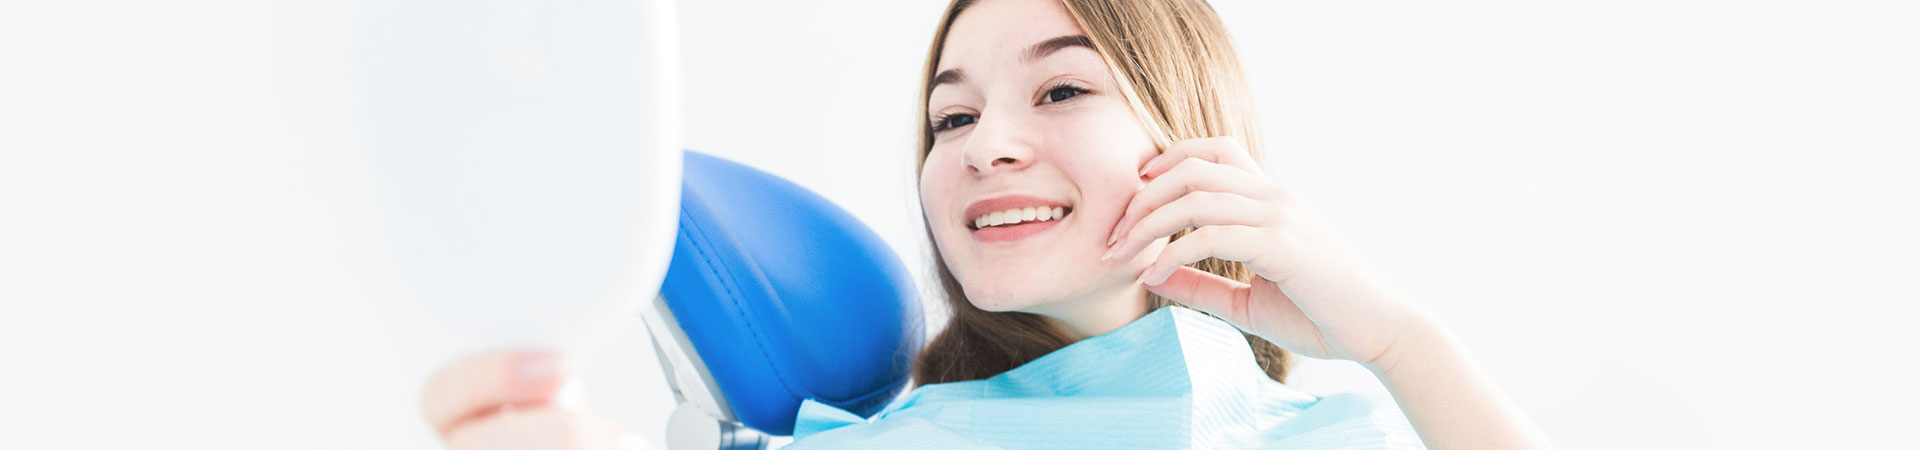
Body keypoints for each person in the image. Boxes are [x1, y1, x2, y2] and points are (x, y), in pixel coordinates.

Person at [420, 0, 1553, 448]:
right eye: (949, 115)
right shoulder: (887, 441)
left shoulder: (1344, 422)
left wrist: (1400, 340)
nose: (982, 144)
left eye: (1061, 90)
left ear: (1197, 136)